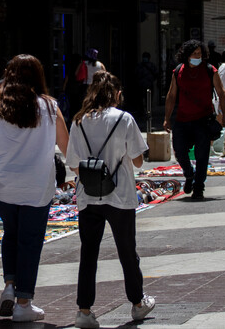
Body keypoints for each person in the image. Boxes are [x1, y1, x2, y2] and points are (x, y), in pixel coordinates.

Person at [0, 54, 69, 322]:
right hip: (37, 187)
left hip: (4, 186)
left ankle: (10, 287)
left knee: (11, 235)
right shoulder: (49, 107)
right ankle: (24, 303)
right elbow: (68, 148)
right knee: (30, 241)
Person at [65, 70, 155, 328]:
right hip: (120, 195)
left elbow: (73, 166)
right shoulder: (124, 119)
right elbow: (138, 161)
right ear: (116, 94)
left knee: (88, 254)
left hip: (88, 197)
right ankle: (138, 304)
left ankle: (84, 310)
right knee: (127, 251)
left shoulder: (79, 121)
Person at [164, 40, 225, 200]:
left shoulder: (209, 70)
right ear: (186, 55)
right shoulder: (178, 71)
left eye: (199, 53)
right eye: (194, 54)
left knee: (202, 155)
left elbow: (221, 92)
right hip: (182, 119)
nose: (197, 56)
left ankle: (199, 186)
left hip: (203, 119)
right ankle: (189, 174)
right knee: (179, 151)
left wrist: (224, 115)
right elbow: (171, 95)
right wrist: (167, 118)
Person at [135, 51, 158, 120]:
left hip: (147, 85)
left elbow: (156, 74)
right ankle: (143, 112)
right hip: (143, 85)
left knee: (148, 100)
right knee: (142, 100)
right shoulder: (140, 65)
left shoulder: (151, 65)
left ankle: (147, 112)